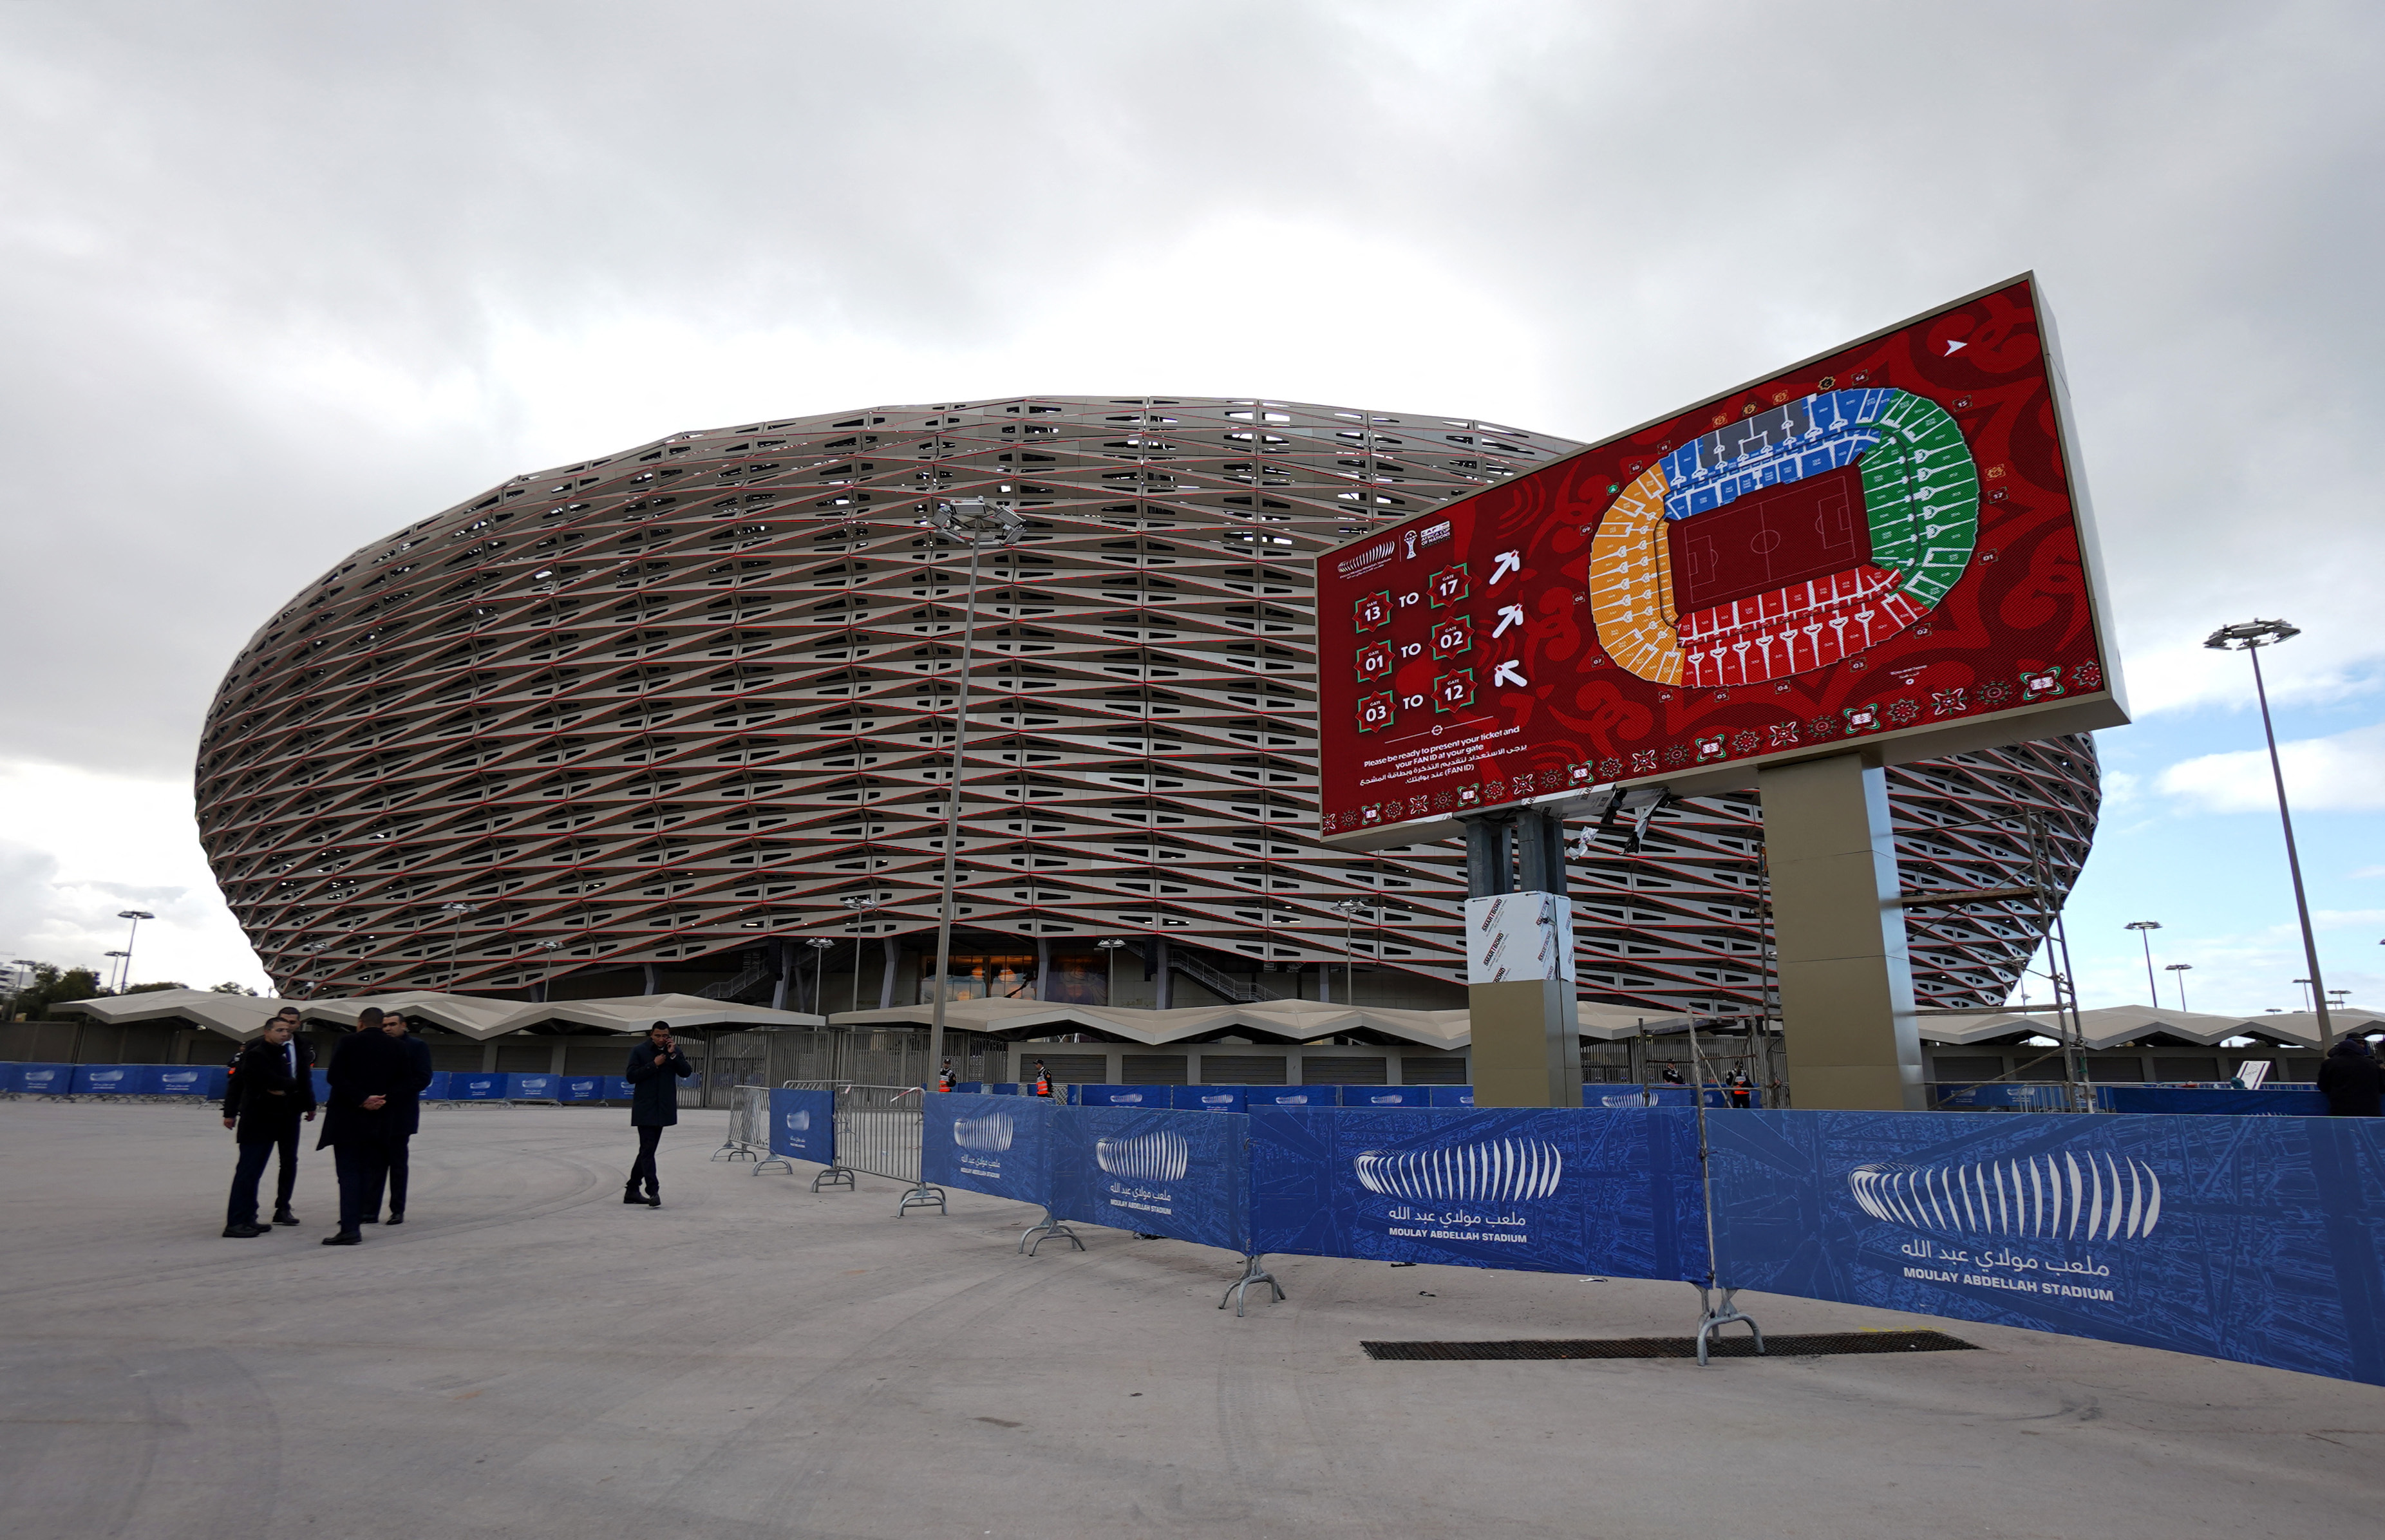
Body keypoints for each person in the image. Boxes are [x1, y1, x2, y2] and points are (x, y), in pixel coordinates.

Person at [316, 1008, 416, 1244]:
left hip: (347, 1119)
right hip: (380, 1119)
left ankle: (350, 1226)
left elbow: (335, 1077)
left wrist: (361, 1098)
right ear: (381, 1024)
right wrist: (382, 1099)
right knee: (370, 1170)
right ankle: (365, 1214)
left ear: (360, 1023)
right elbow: (407, 1081)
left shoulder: (348, 1042)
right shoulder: (399, 1046)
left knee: (348, 1173)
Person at [220, 1011, 317, 1237]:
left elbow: (298, 1080)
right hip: (259, 1118)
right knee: (248, 1170)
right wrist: (231, 1112)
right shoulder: (256, 1053)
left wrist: (296, 1094)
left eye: (289, 1028)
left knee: (279, 1163)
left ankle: (255, 1216)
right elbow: (251, 1083)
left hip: (284, 1114)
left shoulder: (294, 1048)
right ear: (267, 1032)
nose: (286, 1032)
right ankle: (236, 1221)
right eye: (280, 1029)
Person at [361, 1012, 436, 1225]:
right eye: (384, 1025)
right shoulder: (376, 1046)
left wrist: (392, 1096)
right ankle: (369, 1211)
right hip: (375, 1113)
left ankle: (397, 1210)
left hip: (401, 1114)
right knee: (374, 1164)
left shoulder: (417, 1046)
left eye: (393, 1024)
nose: (387, 1028)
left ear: (404, 1026)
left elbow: (422, 1078)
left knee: (397, 1165)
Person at [623, 1022, 693, 1207]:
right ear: (651, 1035)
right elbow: (631, 1077)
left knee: (648, 1150)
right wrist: (653, 1065)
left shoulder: (674, 1051)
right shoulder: (639, 1050)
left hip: (663, 1108)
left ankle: (632, 1189)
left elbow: (686, 1072)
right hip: (645, 1108)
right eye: (658, 1035)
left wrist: (673, 1055)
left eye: (665, 1035)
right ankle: (653, 1191)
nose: (662, 1039)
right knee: (647, 1149)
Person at [2316, 1035, 2382, 1118]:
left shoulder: (2329, 1064)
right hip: (2371, 1111)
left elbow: (2323, 1087)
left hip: (2341, 1111)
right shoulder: (2372, 1064)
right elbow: (2382, 1087)